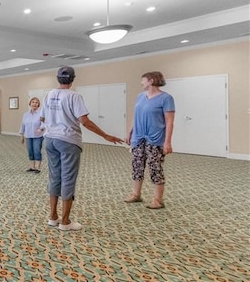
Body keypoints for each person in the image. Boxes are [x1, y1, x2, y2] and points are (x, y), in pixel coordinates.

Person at [42, 66, 124, 231]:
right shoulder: (74, 96)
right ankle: (65, 222)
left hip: (50, 139)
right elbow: (84, 121)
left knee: (54, 177)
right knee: (68, 179)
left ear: (58, 79)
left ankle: (53, 217)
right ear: (72, 79)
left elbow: (43, 117)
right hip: (68, 141)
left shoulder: (49, 94)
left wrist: (55, 125)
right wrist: (105, 135)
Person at [124, 71, 175, 209]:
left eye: (143, 80)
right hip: (138, 136)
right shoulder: (140, 97)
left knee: (155, 168)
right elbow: (136, 115)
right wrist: (130, 131)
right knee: (137, 166)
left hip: (155, 138)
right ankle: (136, 194)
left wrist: (167, 142)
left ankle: (158, 200)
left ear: (151, 81)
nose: (141, 83)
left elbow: (169, 122)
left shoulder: (166, 98)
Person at [20, 97, 45, 173]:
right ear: (30, 104)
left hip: (38, 136)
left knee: (37, 151)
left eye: (36, 102)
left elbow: (44, 124)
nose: (34, 103)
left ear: (38, 105)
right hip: (28, 136)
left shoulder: (41, 114)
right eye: (33, 102)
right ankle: (32, 167)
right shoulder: (26, 114)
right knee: (30, 151)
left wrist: (40, 129)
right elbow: (23, 125)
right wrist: (22, 135)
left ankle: (37, 168)